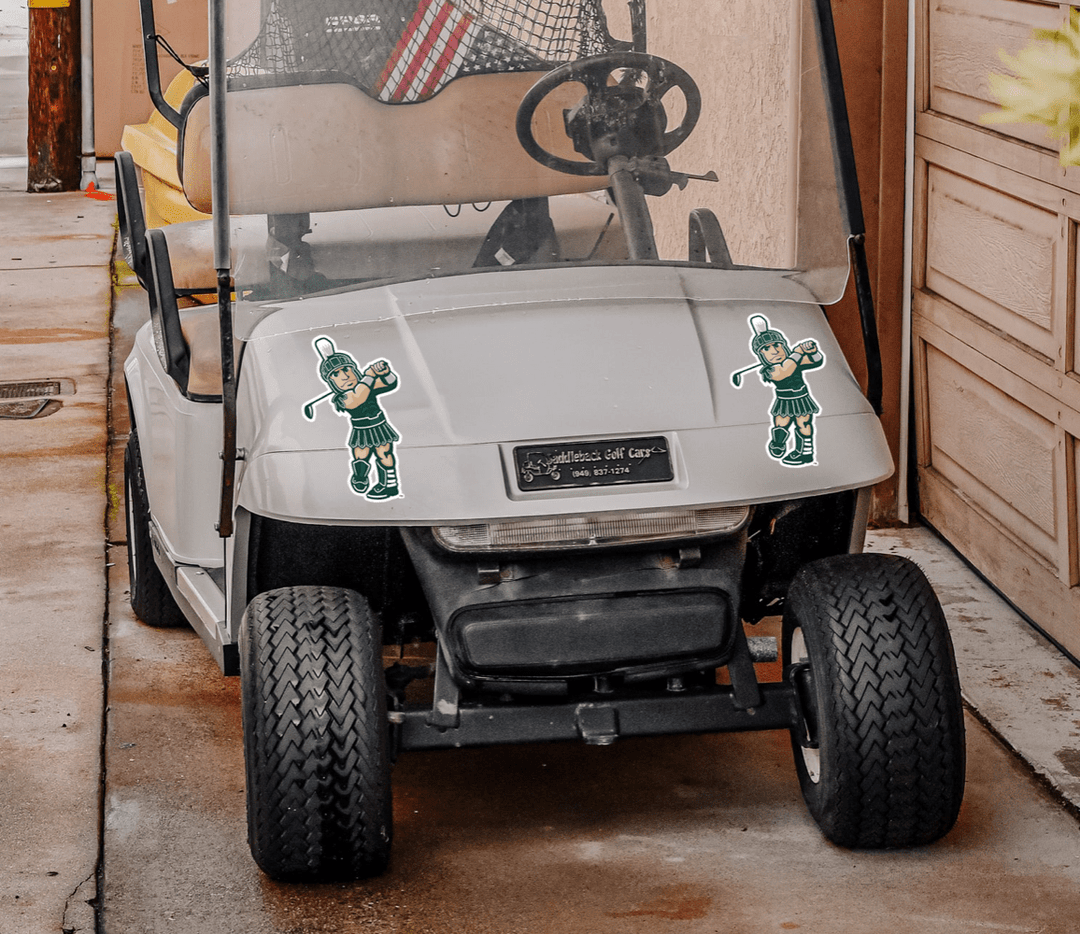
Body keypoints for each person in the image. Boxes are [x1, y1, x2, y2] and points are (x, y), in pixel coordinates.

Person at [314, 337, 402, 498]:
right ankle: (360, 477)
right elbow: (357, 399)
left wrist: (386, 373)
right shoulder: (342, 397)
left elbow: (390, 384)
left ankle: (389, 485)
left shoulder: (366, 384)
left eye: (347, 369)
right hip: (361, 431)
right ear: (331, 381)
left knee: (385, 454)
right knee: (360, 456)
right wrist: (368, 376)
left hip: (380, 426)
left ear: (354, 370)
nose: (344, 376)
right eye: (336, 374)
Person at [747, 315, 824, 467]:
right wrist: (798, 352)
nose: (774, 351)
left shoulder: (794, 360)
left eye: (777, 345)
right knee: (781, 424)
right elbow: (784, 371)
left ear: (784, 346)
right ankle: (778, 443)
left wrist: (813, 351)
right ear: (761, 355)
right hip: (784, 401)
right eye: (766, 349)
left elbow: (816, 361)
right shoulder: (770, 370)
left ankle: (805, 453)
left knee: (804, 424)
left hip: (802, 398)